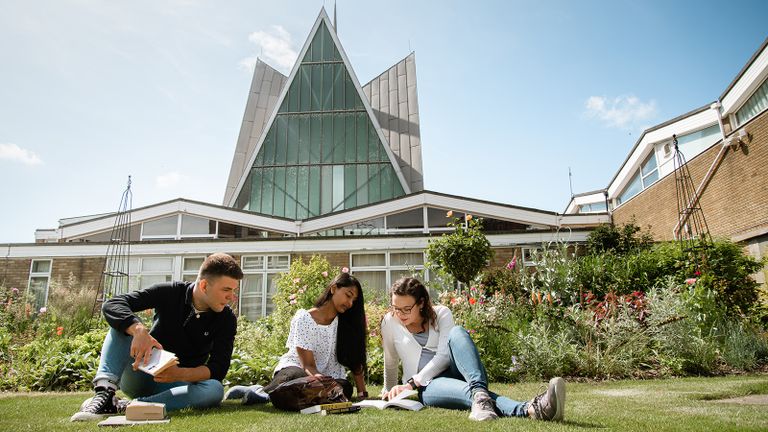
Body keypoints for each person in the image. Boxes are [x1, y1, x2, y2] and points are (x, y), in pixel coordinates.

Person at [71, 253, 243, 421]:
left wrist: (178, 374)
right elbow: (113, 304)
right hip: (141, 372)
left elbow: (218, 368)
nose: (232, 297)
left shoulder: (226, 319)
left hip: (177, 386)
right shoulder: (169, 292)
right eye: (226, 290)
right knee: (123, 326)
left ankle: (129, 406)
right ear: (204, 286)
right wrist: (138, 329)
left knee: (214, 389)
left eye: (233, 290)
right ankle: (104, 393)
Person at [380, 277, 566, 422]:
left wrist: (412, 382)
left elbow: (445, 355)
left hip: (455, 372)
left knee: (458, 332)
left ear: (420, 303)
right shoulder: (390, 321)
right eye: (396, 308)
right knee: (475, 394)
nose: (400, 314)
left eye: (406, 309)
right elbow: (390, 360)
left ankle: (480, 393)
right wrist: (388, 392)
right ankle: (532, 409)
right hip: (429, 386)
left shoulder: (441, 313)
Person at [229, 273, 368, 405]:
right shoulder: (304, 318)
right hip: (300, 370)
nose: (350, 303)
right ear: (333, 289)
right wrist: (319, 381)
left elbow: (356, 360)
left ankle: (272, 395)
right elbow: (308, 365)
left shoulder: (347, 324)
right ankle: (263, 392)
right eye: (348, 296)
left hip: (328, 378)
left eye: (353, 301)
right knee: (296, 377)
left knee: (345, 387)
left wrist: (362, 393)